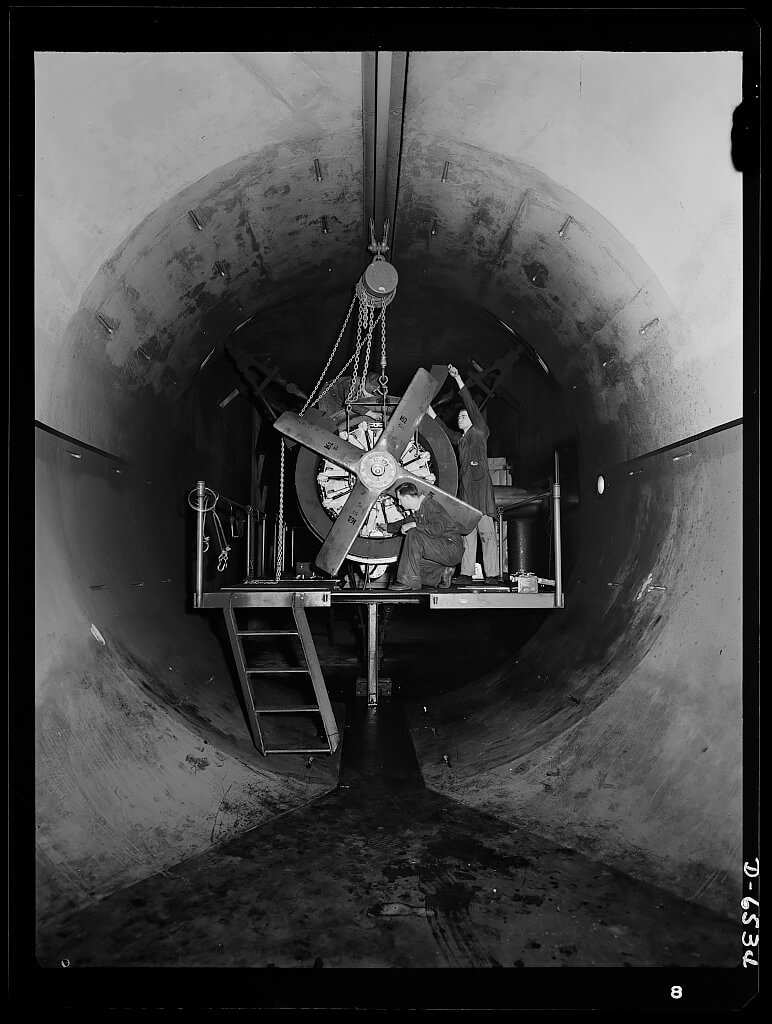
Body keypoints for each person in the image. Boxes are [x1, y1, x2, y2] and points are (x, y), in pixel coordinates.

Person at [427, 364, 501, 584]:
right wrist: (427, 410)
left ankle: (493, 576)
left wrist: (458, 378)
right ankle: (466, 574)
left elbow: (471, 404)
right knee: (467, 536)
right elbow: (441, 429)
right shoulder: (460, 440)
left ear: (472, 419)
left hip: (481, 493)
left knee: (487, 535)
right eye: (458, 416)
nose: (459, 418)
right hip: (466, 494)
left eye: (462, 415)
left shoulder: (479, 432)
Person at [384, 482, 464, 592]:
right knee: (407, 565)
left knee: (414, 534)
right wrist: (385, 527)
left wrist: (414, 525)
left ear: (407, 498)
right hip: (442, 552)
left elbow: (437, 528)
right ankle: (442, 574)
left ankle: (408, 581)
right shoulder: (418, 511)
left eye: (400, 499)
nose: (399, 503)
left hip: (451, 548)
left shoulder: (430, 505)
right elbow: (402, 524)